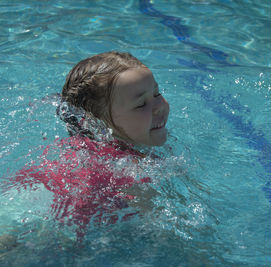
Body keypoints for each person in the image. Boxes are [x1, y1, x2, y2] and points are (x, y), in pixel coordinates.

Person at [9, 51, 170, 240]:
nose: (160, 105)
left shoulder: (82, 150)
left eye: (157, 93)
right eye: (141, 104)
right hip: (41, 235)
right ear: (96, 122)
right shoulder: (130, 172)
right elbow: (159, 229)